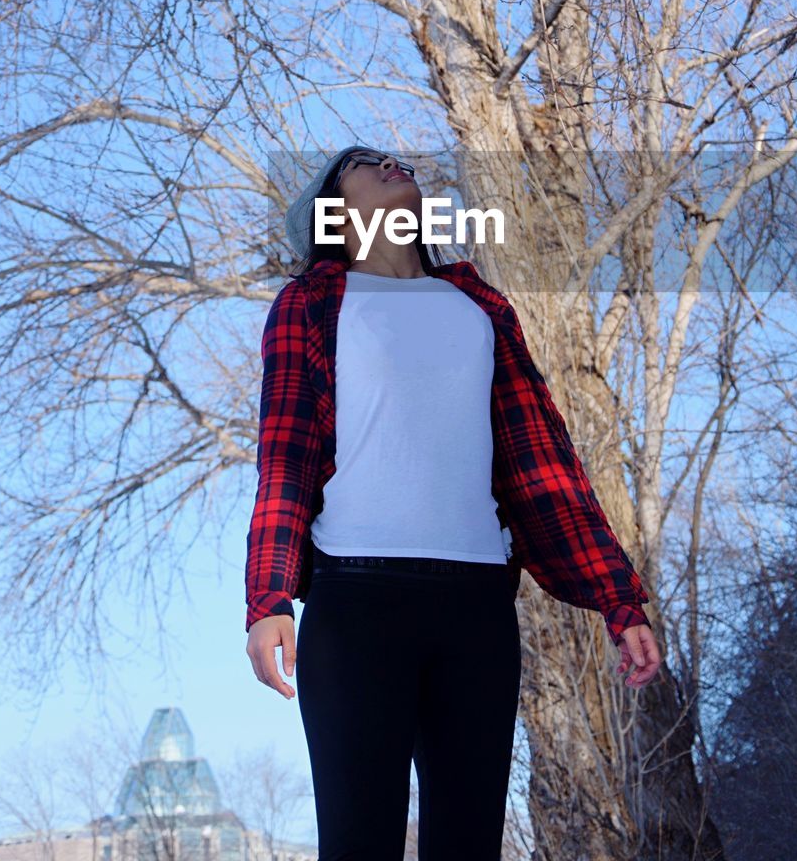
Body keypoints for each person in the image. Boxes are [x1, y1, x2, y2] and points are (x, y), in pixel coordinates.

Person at [245, 145, 661, 860]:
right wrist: (269, 600)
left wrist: (617, 598)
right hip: (357, 600)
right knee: (357, 841)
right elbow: (285, 457)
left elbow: (540, 462)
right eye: (364, 163)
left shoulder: (479, 307)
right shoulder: (309, 304)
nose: (390, 163)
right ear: (333, 211)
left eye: (394, 159)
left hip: (474, 606)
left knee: (468, 844)